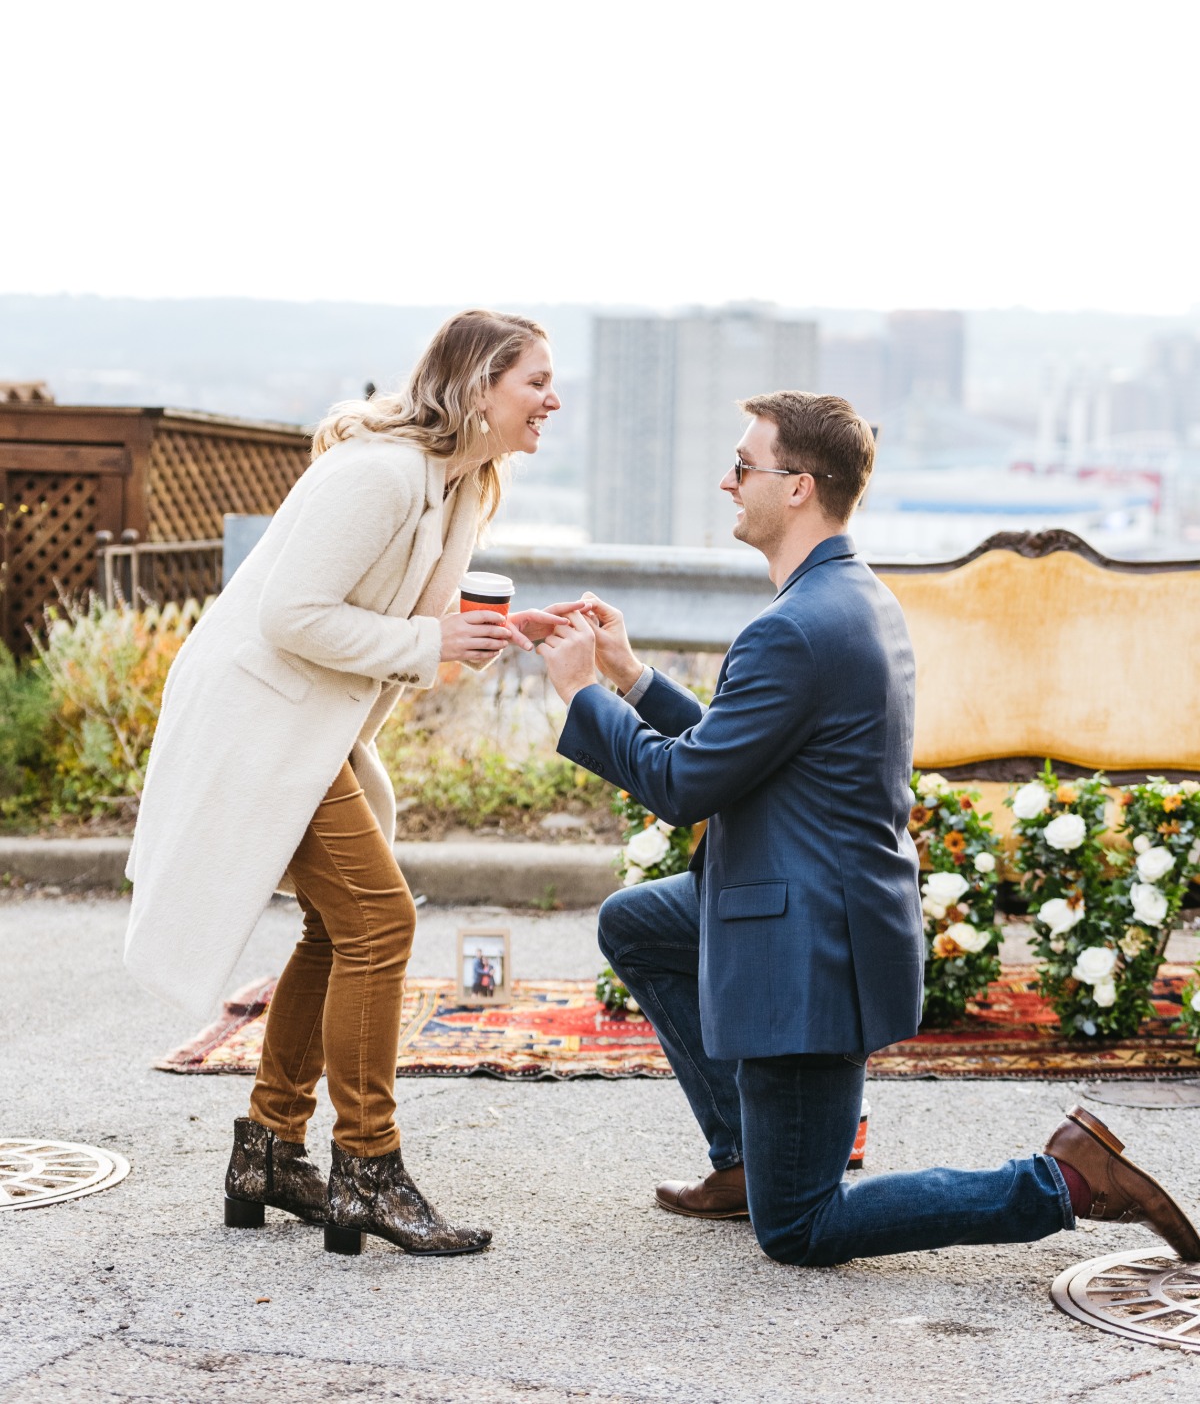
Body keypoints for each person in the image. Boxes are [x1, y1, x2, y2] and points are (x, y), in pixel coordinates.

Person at [537, 390, 1200, 1267]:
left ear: (800, 486)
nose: (726, 481)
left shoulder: (796, 629)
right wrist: (633, 677)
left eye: (744, 466)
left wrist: (583, 690)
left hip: (806, 956)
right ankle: (746, 1155)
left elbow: (687, 783)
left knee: (802, 1228)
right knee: (638, 921)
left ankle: (1065, 1179)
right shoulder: (846, 599)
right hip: (815, 914)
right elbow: (742, 745)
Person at [125, 309, 578, 1259]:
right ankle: (365, 1168)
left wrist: (495, 629)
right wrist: (429, 641)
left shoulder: (462, 485)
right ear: (479, 385)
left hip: (306, 724)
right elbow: (294, 613)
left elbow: (409, 615)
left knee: (342, 924)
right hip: (263, 721)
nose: (552, 398)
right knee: (381, 920)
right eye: (536, 379)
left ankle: (268, 1148)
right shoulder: (377, 473)